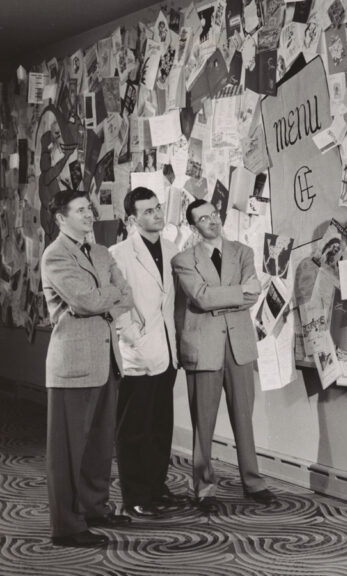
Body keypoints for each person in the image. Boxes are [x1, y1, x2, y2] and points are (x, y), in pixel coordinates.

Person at [42, 189, 134, 547]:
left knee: (98, 444)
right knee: (67, 452)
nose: (89, 214)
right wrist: (104, 298)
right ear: (61, 218)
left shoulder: (100, 252)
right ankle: (66, 526)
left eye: (90, 209)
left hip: (107, 361)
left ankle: (94, 507)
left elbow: (124, 297)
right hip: (73, 365)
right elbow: (84, 300)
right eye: (80, 210)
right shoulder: (55, 256)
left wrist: (102, 299)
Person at [172, 199, 277, 513]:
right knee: (202, 423)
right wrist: (236, 293)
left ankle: (253, 483)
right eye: (203, 219)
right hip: (203, 348)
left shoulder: (243, 252)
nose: (212, 221)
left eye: (214, 215)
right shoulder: (183, 260)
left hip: (239, 347)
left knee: (244, 420)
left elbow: (253, 294)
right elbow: (201, 299)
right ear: (193, 227)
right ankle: (203, 489)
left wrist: (223, 296)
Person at [109, 187, 190, 518]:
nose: (156, 214)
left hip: (167, 353)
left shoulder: (172, 249)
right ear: (132, 219)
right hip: (138, 354)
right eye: (148, 211)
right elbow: (118, 305)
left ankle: (157, 488)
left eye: (158, 208)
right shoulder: (119, 253)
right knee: (134, 430)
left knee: (160, 426)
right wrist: (134, 340)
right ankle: (135, 496)